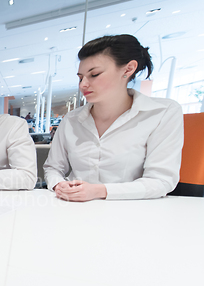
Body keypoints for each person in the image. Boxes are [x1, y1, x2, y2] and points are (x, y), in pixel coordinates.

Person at [44, 34, 183, 202]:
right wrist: (58, 184)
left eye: (94, 74)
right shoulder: (71, 120)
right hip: (76, 209)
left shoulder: (162, 112)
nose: (83, 85)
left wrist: (99, 191)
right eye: (80, 78)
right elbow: (53, 168)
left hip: (133, 211)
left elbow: (161, 181)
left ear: (128, 69)